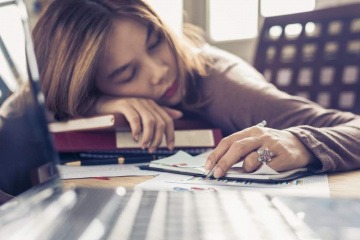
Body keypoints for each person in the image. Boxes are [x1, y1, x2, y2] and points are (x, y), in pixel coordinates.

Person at [32, 0, 360, 179]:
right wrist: (98, 104)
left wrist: (299, 141)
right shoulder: (97, 95)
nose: (160, 71)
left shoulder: (226, 88)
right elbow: (32, 106)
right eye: (127, 73)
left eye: (156, 42)